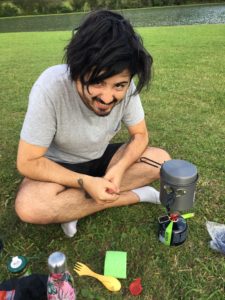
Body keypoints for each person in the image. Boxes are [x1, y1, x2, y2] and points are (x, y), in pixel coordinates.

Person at [15, 9, 171, 238]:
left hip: (103, 159)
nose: (107, 98)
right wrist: (84, 182)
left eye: (118, 85)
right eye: (97, 82)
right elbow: (27, 162)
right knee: (29, 206)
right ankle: (136, 195)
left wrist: (118, 169)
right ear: (76, 70)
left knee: (162, 162)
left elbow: (140, 135)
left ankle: (73, 208)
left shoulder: (127, 87)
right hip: (60, 164)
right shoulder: (50, 87)